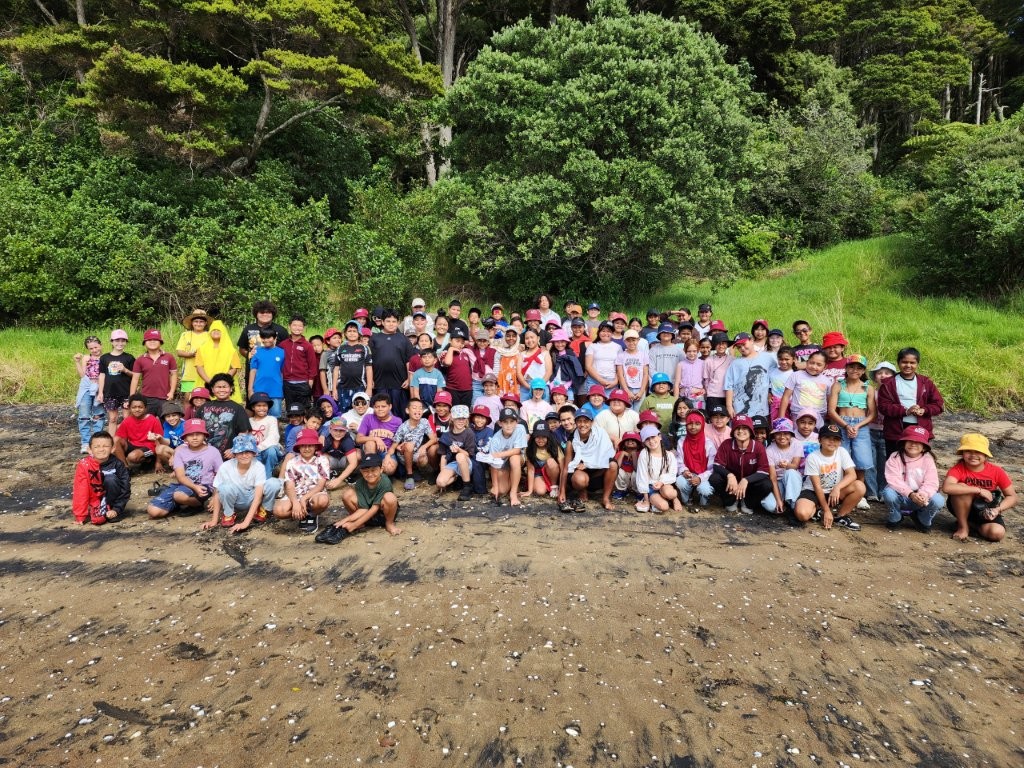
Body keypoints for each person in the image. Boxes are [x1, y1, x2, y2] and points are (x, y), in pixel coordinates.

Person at [943, 433, 1017, 542]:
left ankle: (972, 525)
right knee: (962, 488)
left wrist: (997, 509)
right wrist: (979, 490)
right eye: (968, 451)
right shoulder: (958, 469)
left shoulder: (997, 471)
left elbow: (1012, 496)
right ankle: (963, 527)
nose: (973, 455)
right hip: (960, 506)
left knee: (997, 533)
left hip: (985, 509)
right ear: (963, 453)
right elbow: (947, 487)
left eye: (978, 452)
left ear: (985, 454)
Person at [202, 434, 283, 532]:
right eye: (240, 452)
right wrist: (214, 521)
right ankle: (229, 514)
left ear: (254, 453)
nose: (244, 455)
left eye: (248, 452)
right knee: (224, 487)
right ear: (234, 454)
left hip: (252, 497)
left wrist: (245, 523)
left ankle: (262, 509)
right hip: (235, 499)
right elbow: (217, 493)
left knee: (274, 483)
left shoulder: (258, 467)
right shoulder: (225, 466)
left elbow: (258, 496)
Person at [314, 454, 402, 544]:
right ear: (361, 471)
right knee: (348, 494)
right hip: (367, 513)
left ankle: (389, 523)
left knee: (390, 497)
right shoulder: (360, 483)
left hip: (382, 514)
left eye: (373, 470)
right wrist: (344, 520)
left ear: (381, 469)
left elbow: (374, 508)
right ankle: (355, 524)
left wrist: (354, 525)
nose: (370, 474)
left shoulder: (385, 482)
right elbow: (363, 509)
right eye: (366, 471)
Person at [792, 423, 865, 530]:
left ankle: (841, 516)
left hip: (834, 491)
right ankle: (819, 509)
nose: (832, 441)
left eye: (836, 439)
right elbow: (817, 487)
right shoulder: (813, 457)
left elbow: (852, 474)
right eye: (827, 438)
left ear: (840, 442)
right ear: (820, 440)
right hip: (813, 491)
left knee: (859, 486)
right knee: (802, 514)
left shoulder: (842, 452)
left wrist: (837, 488)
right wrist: (827, 511)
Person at [146, 418, 223, 519]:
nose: (194, 438)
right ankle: (178, 503)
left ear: (204, 435)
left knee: (179, 495)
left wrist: (215, 496)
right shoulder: (180, 451)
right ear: (185, 437)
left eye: (198, 434)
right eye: (190, 435)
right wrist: (194, 487)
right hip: (183, 485)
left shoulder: (213, 451)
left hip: (204, 487)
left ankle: (199, 504)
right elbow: (180, 476)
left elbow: (220, 476)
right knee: (153, 511)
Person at [876, 347, 945, 457]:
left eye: (912, 362)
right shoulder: (888, 384)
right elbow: (884, 406)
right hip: (895, 430)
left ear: (917, 364)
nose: (908, 365)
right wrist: (906, 411)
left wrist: (924, 410)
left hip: (920, 429)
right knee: (895, 459)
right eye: (904, 362)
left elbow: (938, 404)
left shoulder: (926, 382)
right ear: (898, 362)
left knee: (918, 460)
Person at [826, 354, 875, 510]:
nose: (855, 370)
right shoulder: (838, 385)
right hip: (842, 422)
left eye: (859, 368)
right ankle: (841, 490)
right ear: (846, 368)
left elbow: (872, 413)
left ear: (863, 370)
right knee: (841, 458)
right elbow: (831, 410)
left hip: (861, 425)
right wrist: (846, 425)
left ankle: (859, 494)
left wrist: (858, 426)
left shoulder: (868, 388)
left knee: (862, 460)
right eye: (851, 367)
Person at [881, 425, 945, 532]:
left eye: (918, 442)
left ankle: (922, 519)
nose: (913, 444)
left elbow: (931, 482)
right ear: (903, 443)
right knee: (888, 493)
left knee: (939, 500)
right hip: (901, 496)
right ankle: (896, 516)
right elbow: (893, 479)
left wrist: (923, 495)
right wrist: (910, 494)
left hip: (920, 498)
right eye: (909, 440)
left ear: (924, 447)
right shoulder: (895, 457)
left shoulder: (928, 460)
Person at [709, 414, 776, 515]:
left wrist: (746, 480)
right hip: (731, 484)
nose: (740, 431)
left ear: (750, 431)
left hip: (749, 485)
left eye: (744, 428)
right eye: (737, 428)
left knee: (766, 484)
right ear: (733, 431)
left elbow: (763, 471)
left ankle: (748, 503)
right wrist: (730, 475)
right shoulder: (726, 444)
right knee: (715, 478)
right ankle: (731, 500)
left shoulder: (758, 447)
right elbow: (717, 465)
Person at [559, 404, 618, 512]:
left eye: (586, 421)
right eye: (579, 421)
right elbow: (566, 467)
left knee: (613, 465)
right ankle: (582, 491)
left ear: (592, 422)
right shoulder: (572, 440)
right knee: (580, 480)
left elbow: (607, 456)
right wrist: (561, 492)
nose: (582, 424)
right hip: (582, 473)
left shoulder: (600, 434)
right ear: (575, 423)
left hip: (597, 473)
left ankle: (605, 498)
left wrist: (588, 464)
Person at [274, 427, 331, 533]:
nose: (307, 449)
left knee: (322, 501)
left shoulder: (322, 460)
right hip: (296, 493)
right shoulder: (291, 462)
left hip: (315, 493)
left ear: (315, 447)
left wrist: (303, 499)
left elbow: (320, 485)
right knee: (279, 511)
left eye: (310, 445)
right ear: (299, 447)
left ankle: (312, 514)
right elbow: (289, 485)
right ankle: (301, 513)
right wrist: (295, 502)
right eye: (303, 445)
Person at [72, 432, 130, 525]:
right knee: (98, 521)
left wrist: (117, 509)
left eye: (106, 446)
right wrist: (80, 516)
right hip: (94, 499)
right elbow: (81, 490)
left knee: (110, 479)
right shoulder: (84, 465)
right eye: (96, 447)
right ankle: (95, 508)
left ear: (113, 448)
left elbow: (125, 488)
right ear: (89, 450)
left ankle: (111, 510)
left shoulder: (118, 464)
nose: (101, 449)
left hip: (112, 499)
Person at [369, 309, 415, 417]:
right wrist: (370, 380)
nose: (391, 324)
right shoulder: (374, 338)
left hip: (399, 383)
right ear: (382, 322)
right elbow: (369, 362)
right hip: (379, 382)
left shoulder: (403, 339)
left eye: (394, 321)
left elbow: (409, 361)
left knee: (398, 412)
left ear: (398, 323)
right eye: (388, 321)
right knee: (381, 412)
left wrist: (409, 379)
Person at [479, 407, 528, 507]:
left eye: (512, 421)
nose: (509, 425)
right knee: (502, 490)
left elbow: (517, 450)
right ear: (500, 423)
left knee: (514, 458)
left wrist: (499, 454)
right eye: (505, 422)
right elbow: (493, 464)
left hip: (518, 459)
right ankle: (515, 479)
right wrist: (495, 486)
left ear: (516, 422)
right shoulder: (495, 439)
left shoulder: (520, 428)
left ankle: (513, 493)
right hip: (502, 464)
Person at [195, 373, 251, 457]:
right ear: (212, 389)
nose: (221, 390)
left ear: (231, 388)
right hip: (203, 453)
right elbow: (195, 429)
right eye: (218, 387)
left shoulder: (238, 408)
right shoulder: (204, 407)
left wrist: (235, 449)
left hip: (227, 455)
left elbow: (244, 432)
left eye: (224, 387)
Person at [115, 394, 173, 472]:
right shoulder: (127, 421)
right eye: (134, 407)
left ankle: (150, 460)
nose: (137, 409)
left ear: (145, 408)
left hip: (150, 448)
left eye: (140, 407)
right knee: (116, 441)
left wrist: (158, 463)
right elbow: (120, 440)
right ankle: (125, 469)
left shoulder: (153, 420)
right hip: (134, 445)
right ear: (129, 408)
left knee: (132, 456)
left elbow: (159, 442)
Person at [865, 361, 897, 501]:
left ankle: (884, 491)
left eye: (887, 373)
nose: (883, 375)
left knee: (885, 463)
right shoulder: (871, 392)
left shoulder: (896, 394)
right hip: (870, 430)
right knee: (870, 461)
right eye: (879, 373)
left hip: (887, 432)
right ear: (875, 377)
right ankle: (871, 492)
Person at [724, 332, 774, 418]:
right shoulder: (735, 363)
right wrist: (729, 406)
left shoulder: (767, 358)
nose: (742, 348)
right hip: (740, 409)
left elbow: (777, 374)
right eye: (739, 347)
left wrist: (770, 392)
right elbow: (729, 385)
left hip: (762, 410)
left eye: (744, 344)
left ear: (751, 341)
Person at [389, 398, 437, 490]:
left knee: (423, 460)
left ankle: (415, 469)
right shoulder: (403, 427)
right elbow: (393, 446)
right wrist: (389, 456)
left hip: (416, 452)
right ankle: (409, 475)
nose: (418, 410)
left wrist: (424, 446)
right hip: (404, 454)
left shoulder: (424, 422)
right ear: (407, 411)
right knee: (409, 445)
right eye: (414, 408)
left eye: (420, 408)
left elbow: (433, 439)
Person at [635, 424, 682, 513]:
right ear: (644, 442)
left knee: (669, 493)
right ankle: (653, 500)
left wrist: (661, 482)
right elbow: (642, 477)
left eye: (653, 437)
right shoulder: (644, 454)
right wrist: (646, 500)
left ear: (659, 437)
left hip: (664, 484)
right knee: (664, 507)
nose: (651, 441)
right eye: (647, 439)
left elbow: (672, 474)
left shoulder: (669, 455)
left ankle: (674, 499)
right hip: (651, 487)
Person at [130, 329, 178, 416]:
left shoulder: (169, 357)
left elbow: (173, 375)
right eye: (149, 340)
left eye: (155, 339)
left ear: (160, 342)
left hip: (165, 397)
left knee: (166, 421)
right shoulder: (140, 359)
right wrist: (132, 397)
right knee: (146, 421)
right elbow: (135, 379)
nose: (152, 341)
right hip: (146, 398)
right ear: (144, 343)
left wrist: (171, 392)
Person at [97, 329, 135, 437]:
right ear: (112, 342)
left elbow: (135, 375)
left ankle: (127, 440)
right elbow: (102, 375)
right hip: (110, 392)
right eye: (117, 340)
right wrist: (100, 392)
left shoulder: (129, 358)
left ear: (126, 342)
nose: (120, 343)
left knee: (127, 418)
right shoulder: (104, 358)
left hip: (125, 392)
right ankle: (111, 441)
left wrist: (125, 370)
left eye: (123, 341)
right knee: (113, 418)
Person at [194, 319, 243, 404]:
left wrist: (222, 382)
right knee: (204, 406)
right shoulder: (201, 349)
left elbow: (234, 367)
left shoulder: (231, 350)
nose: (216, 331)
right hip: (205, 383)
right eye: (213, 330)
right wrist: (210, 381)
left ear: (223, 332)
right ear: (209, 332)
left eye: (218, 330)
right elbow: (199, 366)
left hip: (225, 386)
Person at [673, 411, 715, 511]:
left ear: (703, 425)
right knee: (680, 481)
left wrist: (700, 478)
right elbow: (679, 461)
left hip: (703, 475)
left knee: (705, 490)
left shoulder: (708, 443)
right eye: (690, 423)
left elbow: (712, 467)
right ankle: (687, 499)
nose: (693, 427)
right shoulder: (682, 441)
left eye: (697, 424)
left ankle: (704, 501)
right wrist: (684, 471)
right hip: (688, 474)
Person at [236, 300, 288, 379]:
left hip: (275, 373)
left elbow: (287, 350)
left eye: (268, 312)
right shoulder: (248, 329)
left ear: (272, 314)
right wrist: (250, 354)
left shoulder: (281, 330)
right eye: (262, 312)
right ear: (256, 314)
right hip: (253, 372)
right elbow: (242, 349)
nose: (265, 314)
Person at [436, 405, 477, 500]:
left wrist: (459, 450)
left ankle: (467, 486)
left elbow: (469, 454)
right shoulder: (446, 435)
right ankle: (457, 478)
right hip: (453, 463)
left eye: (463, 418)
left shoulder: (469, 433)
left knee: (460, 456)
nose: (461, 421)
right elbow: (443, 456)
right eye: (458, 418)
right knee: (440, 483)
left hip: (466, 462)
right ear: (452, 418)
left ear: (466, 420)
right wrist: (442, 472)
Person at [778, 350, 830, 425]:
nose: (814, 366)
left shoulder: (827, 381)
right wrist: (781, 418)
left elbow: (829, 401)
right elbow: (786, 396)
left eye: (819, 365)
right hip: (797, 416)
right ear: (807, 362)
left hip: (819, 417)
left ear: (825, 367)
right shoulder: (796, 375)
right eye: (811, 363)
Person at [356, 393, 403, 476]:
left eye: (383, 406)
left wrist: (389, 455)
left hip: (387, 451)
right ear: (373, 407)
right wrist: (376, 439)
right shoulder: (368, 418)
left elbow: (399, 440)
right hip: (369, 450)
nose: (380, 409)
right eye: (377, 407)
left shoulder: (397, 421)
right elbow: (358, 439)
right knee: (370, 443)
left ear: (390, 406)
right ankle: (370, 470)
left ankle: (381, 476)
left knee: (389, 469)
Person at [278, 315, 318, 411]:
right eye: (294, 325)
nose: (297, 328)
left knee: (304, 409)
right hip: (287, 382)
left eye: (300, 326)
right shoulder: (283, 344)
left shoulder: (307, 345)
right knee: (290, 408)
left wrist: (310, 382)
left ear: (304, 328)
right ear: (289, 326)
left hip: (302, 382)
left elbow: (312, 365)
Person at [74, 335, 106, 452]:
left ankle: (97, 441)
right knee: (84, 415)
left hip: (100, 388)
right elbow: (82, 375)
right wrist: (77, 362)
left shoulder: (106, 358)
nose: (94, 350)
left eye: (96, 347)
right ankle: (85, 442)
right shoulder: (86, 358)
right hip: (87, 387)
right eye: (91, 348)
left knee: (99, 414)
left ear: (101, 345)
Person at [766, 418, 802, 515]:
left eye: (786, 433)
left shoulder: (797, 444)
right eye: (778, 433)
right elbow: (773, 477)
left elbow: (795, 466)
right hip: (778, 481)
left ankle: (794, 507)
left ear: (791, 435)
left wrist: (787, 465)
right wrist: (778, 500)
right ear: (774, 435)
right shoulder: (769, 450)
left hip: (793, 478)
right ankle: (784, 503)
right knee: (769, 505)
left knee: (790, 472)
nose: (782, 437)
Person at [247, 328, 286, 417]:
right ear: (261, 338)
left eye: (269, 337)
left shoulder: (281, 352)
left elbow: (282, 372)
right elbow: (253, 371)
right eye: (264, 338)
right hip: (259, 389)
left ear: (275, 338)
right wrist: (250, 389)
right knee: (259, 415)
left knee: (275, 415)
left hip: (276, 390)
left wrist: (283, 388)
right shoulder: (256, 352)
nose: (266, 340)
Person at [175, 309, 211, 397]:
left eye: (201, 322)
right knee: (188, 398)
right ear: (192, 322)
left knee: (204, 398)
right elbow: (179, 352)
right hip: (189, 373)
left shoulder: (210, 335)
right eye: (196, 321)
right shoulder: (185, 335)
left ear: (206, 323)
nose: (198, 324)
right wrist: (191, 354)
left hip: (206, 374)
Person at [523, 421, 562, 499]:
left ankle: (554, 487)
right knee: (540, 492)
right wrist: (529, 491)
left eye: (544, 437)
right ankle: (544, 486)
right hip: (538, 474)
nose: (540, 440)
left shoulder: (554, 446)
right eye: (537, 437)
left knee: (551, 461)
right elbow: (531, 470)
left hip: (552, 473)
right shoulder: (529, 449)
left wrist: (562, 488)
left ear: (548, 436)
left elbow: (562, 466)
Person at [248, 392, 283, 477]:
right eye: (258, 406)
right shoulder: (249, 421)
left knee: (271, 451)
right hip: (254, 451)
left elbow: (273, 437)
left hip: (267, 450)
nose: (262, 408)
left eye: (264, 406)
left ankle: (268, 476)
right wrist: (252, 450)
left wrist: (258, 448)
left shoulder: (271, 419)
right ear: (253, 407)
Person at [615, 330, 650, 410]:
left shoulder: (643, 355)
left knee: (639, 412)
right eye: (628, 340)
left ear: (638, 340)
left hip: (640, 389)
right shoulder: (621, 356)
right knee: (626, 412)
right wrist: (627, 391)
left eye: (633, 340)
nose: (631, 343)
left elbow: (645, 374)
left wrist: (642, 391)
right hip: (626, 388)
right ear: (624, 341)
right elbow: (620, 375)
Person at [441, 327, 474, 408]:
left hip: (467, 389)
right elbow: (447, 363)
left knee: (465, 412)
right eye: (457, 341)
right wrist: (451, 349)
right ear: (450, 340)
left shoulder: (466, 353)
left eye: (462, 342)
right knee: (454, 411)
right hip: (453, 389)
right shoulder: (445, 353)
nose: (460, 344)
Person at [584, 322, 620, 396]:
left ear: (612, 333)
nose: (605, 333)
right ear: (599, 332)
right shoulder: (592, 346)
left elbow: (619, 367)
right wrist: (601, 380)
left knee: (610, 403)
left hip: (611, 381)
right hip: (594, 381)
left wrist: (615, 382)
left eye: (608, 331)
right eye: (603, 331)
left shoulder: (618, 347)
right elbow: (588, 366)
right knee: (595, 402)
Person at [518, 328, 552, 401]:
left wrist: (539, 386)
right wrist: (528, 386)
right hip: (526, 387)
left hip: (542, 386)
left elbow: (549, 372)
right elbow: (518, 373)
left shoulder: (545, 353)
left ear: (538, 338)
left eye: (532, 337)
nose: (529, 340)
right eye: (527, 338)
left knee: (543, 407)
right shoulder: (522, 354)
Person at [702, 332, 732, 412]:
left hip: (728, 395)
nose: (721, 346)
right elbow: (706, 380)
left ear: (727, 345)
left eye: (723, 343)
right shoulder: (708, 360)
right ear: (714, 345)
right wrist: (708, 393)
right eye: (718, 343)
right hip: (713, 395)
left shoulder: (732, 360)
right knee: (712, 416)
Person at [611, 431, 642, 501]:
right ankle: (622, 490)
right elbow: (616, 467)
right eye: (627, 440)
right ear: (623, 445)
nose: (630, 441)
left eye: (633, 440)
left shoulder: (640, 454)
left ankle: (638, 492)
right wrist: (622, 454)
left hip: (635, 479)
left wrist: (634, 455)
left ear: (638, 445)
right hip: (624, 479)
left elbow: (636, 469)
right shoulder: (620, 453)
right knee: (618, 471)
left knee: (637, 473)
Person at [675, 339, 705, 410]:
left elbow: (705, 380)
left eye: (694, 351)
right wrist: (676, 400)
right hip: (684, 397)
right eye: (689, 351)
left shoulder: (702, 363)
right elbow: (676, 383)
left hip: (698, 396)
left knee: (698, 414)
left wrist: (705, 390)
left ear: (698, 350)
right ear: (684, 351)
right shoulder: (681, 364)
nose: (692, 353)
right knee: (685, 415)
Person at [768, 345, 795, 423]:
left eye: (787, 359)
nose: (783, 362)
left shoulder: (795, 374)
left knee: (790, 424)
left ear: (793, 359)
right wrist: (769, 395)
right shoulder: (772, 372)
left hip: (790, 405)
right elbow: (769, 387)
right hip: (775, 405)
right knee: (776, 424)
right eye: (781, 359)